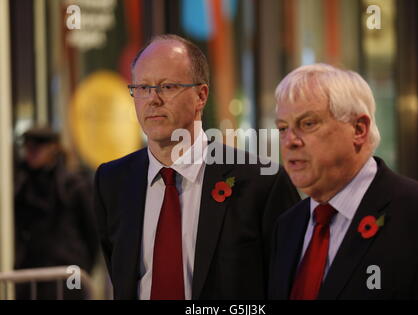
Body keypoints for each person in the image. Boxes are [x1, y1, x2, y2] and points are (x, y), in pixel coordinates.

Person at [93, 34, 300, 300]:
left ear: (201, 96)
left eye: (167, 87)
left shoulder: (262, 181)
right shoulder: (112, 181)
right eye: (142, 88)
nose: (152, 99)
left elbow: (287, 285)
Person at [269, 63, 418, 300]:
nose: (290, 141)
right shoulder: (287, 225)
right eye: (283, 128)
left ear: (359, 129)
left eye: (308, 124)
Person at [14, 127, 98, 299]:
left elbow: (93, 232)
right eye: (28, 149)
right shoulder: (22, 185)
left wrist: (83, 268)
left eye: (36, 149)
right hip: (32, 271)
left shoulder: (75, 185)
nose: (31, 154)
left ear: (53, 148)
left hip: (69, 270)